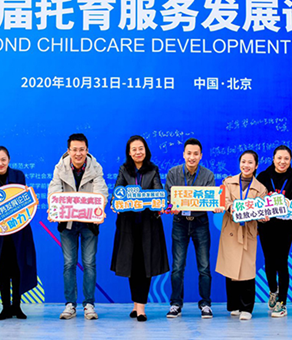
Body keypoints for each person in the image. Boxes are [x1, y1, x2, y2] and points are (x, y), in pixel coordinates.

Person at [48, 133, 108, 320]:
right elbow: (54, 190)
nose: (78, 153)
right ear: (68, 151)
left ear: (87, 150)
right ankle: (70, 305)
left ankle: (89, 304)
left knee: (89, 263)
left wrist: (100, 208)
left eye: (82, 149)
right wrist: (53, 209)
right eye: (74, 150)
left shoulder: (95, 168)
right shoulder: (60, 168)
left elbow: (101, 191)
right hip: (67, 224)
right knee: (69, 264)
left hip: (89, 224)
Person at [110, 135, 169, 322]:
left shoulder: (153, 169)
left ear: (146, 150)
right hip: (128, 224)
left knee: (145, 265)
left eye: (141, 148)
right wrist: (115, 202)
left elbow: (158, 190)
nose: (138, 152)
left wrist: (159, 203)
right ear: (129, 152)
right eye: (134, 149)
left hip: (148, 224)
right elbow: (117, 191)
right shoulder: (124, 169)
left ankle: (141, 308)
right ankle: (136, 304)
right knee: (132, 265)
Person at [165, 138, 221, 319]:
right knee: (177, 266)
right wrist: (171, 206)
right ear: (183, 154)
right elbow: (168, 198)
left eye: (195, 154)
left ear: (201, 156)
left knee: (204, 266)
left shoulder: (208, 175)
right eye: (189, 153)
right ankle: (175, 304)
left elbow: (211, 199)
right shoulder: (173, 173)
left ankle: (205, 304)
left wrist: (215, 206)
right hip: (180, 222)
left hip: (200, 222)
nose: (192, 157)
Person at [0, 146, 37, 320]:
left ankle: (17, 307)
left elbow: (24, 201)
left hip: (19, 231)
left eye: (3, 160)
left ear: (9, 160)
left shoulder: (18, 176)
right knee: (3, 270)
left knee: (18, 268)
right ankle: (6, 307)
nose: (0, 163)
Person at [216, 150, 268, 321]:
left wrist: (263, 216)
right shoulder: (228, 182)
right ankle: (234, 305)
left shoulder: (260, 188)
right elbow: (223, 199)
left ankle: (247, 307)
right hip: (231, 229)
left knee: (247, 269)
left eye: (250, 162)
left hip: (248, 231)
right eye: (243, 162)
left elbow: (263, 208)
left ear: (256, 166)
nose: (246, 165)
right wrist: (231, 207)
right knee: (231, 268)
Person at [257, 145, 292, 318]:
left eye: (286, 159)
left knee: (282, 262)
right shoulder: (263, 177)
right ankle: (273, 291)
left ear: (290, 161)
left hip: (285, 228)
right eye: (279, 158)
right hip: (266, 226)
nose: (282, 162)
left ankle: (282, 303)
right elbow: (255, 199)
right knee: (269, 261)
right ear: (273, 159)